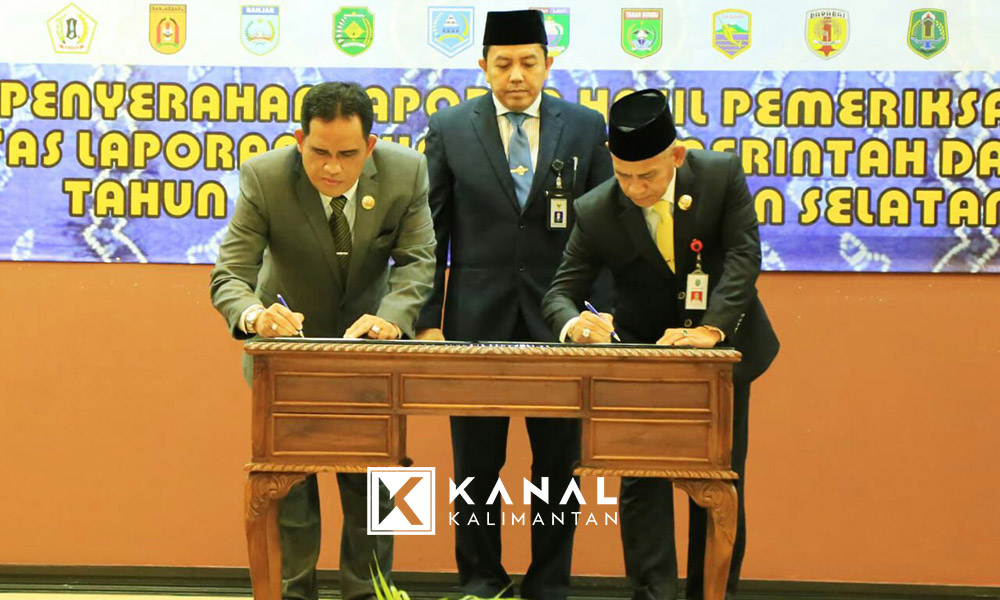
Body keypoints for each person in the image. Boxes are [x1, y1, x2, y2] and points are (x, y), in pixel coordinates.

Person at [542, 89, 780, 600]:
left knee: (717, 483)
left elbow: (743, 258)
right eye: (623, 175)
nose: (635, 188)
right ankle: (654, 594)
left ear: (676, 156)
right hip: (644, 359)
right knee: (641, 481)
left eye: (647, 175)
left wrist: (712, 330)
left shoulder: (719, 176)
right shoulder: (597, 208)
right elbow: (560, 292)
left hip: (720, 358)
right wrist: (575, 325)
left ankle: (712, 594)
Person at [209, 81, 436, 600]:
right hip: (289, 358)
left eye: (347, 155)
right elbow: (230, 275)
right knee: (292, 497)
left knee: (376, 491)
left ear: (370, 147)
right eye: (319, 153)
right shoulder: (265, 177)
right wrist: (254, 316)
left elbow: (418, 262)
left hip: (371, 356)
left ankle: (371, 593)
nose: (332, 168)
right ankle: (294, 593)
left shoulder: (407, 173)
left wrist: (392, 319)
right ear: (299, 140)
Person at [414, 9, 613, 600]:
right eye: (503, 64)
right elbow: (431, 235)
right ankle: (482, 580)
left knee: (557, 464)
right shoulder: (450, 128)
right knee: (476, 464)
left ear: (549, 63)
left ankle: (549, 583)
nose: (517, 75)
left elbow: (605, 231)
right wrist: (427, 322)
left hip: (563, 322)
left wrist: (598, 315)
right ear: (483, 66)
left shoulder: (585, 127)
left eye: (529, 62)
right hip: (475, 321)